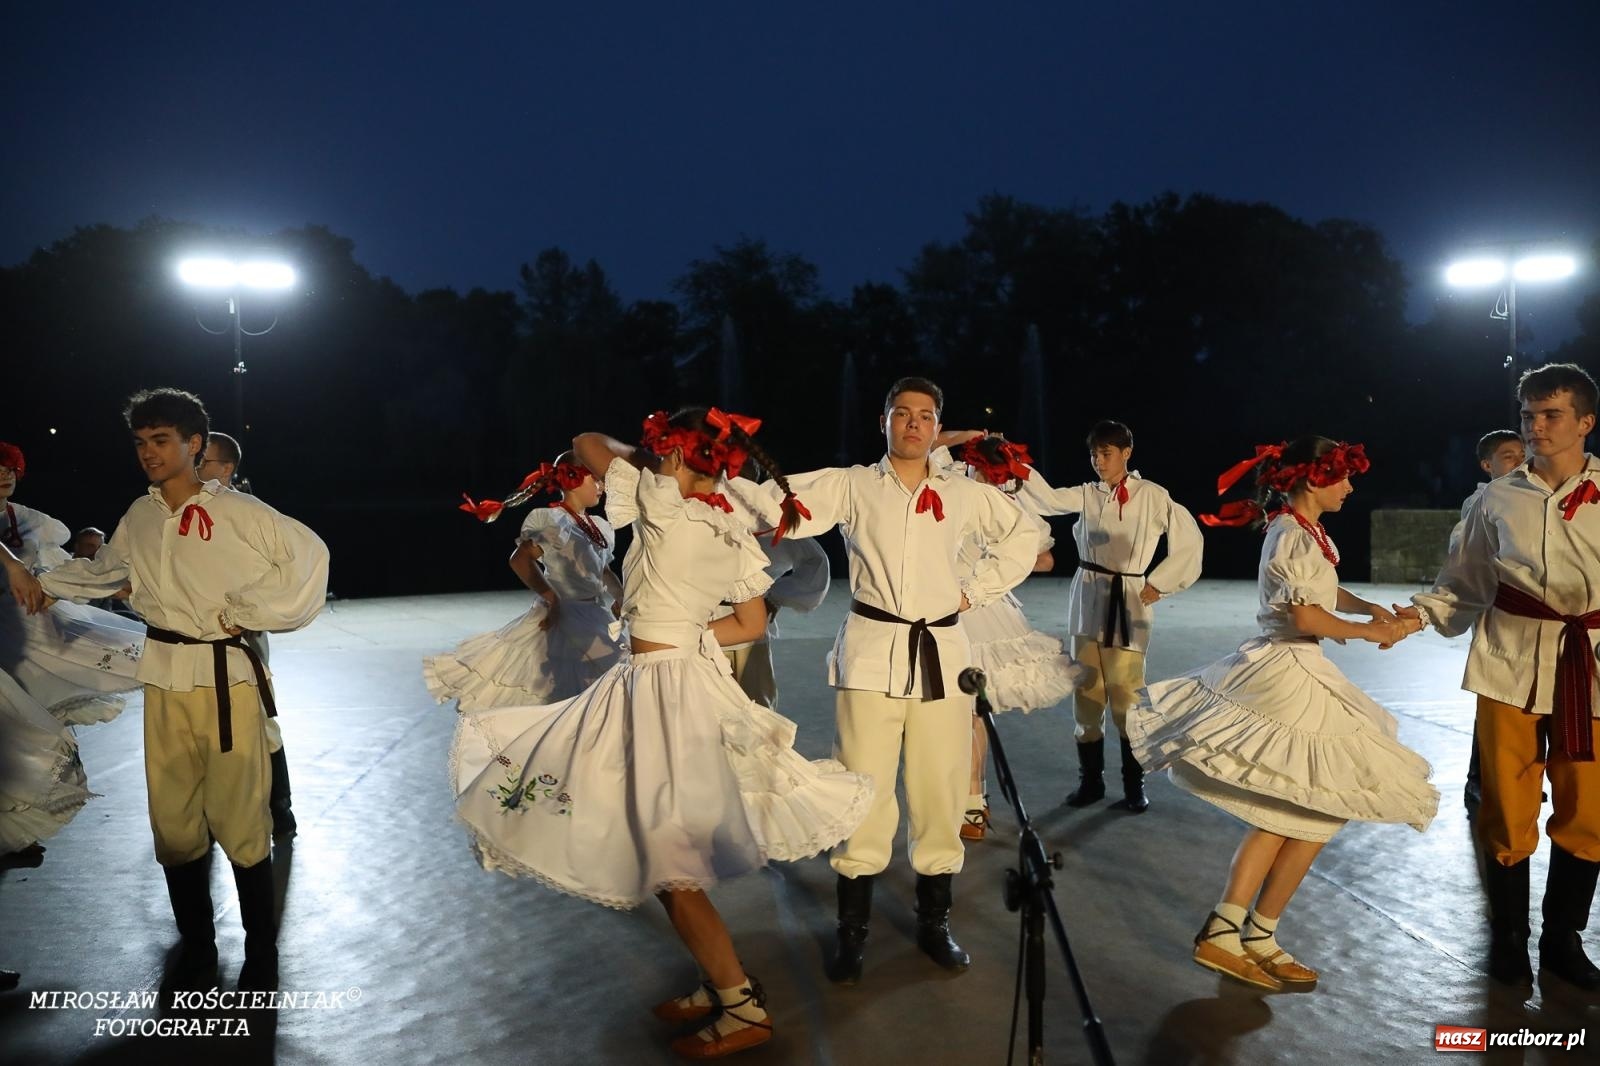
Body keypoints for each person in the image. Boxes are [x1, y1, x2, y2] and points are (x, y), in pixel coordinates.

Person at [451, 407, 871, 1060]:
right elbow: (751, 622)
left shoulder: (663, 502)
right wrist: (693, 637)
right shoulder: (726, 524)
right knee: (663, 852)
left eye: (661, 451)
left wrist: (656, 462)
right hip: (677, 680)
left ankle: (740, 1003)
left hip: (658, 690)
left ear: (673, 455)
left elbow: (584, 441)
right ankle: (717, 980)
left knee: (671, 864)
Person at [12, 388, 330, 994]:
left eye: (161, 440)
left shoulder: (241, 512)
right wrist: (42, 580)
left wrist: (246, 612)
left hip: (225, 681)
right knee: (174, 819)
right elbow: (108, 571)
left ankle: (261, 951)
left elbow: (310, 558)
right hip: (163, 675)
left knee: (241, 815)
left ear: (195, 444)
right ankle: (198, 947)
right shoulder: (141, 514)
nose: (148, 452)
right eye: (141, 442)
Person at [1130, 436, 1437, 991]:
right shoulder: (1289, 533)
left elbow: (1321, 593)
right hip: (1286, 669)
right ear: (1313, 479)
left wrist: (1367, 607)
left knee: (1310, 809)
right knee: (1299, 807)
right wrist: (1371, 630)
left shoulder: (1305, 531)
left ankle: (1253, 933)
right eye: (1342, 477)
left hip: (1302, 666)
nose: (1350, 488)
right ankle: (1229, 931)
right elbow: (1304, 617)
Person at [767, 377, 1041, 983]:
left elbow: (1026, 535)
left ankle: (934, 922)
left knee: (940, 786)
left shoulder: (962, 492)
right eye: (902, 413)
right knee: (861, 785)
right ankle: (852, 931)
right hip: (872, 652)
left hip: (941, 651)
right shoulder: (853, 485)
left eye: (924, 415)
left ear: (938, 427)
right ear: (884, 421)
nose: (913, 423)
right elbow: (775, 502)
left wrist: (975, 591)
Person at [1406, 363, 1600, 990]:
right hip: (1508, 662)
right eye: (1528, 415)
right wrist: (1413, 616)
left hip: (1591, 667)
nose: (1536, 427)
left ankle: (1562, 941)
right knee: (1506, 808)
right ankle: (1509, 939)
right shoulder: (1495, 498)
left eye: (1551, 415)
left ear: (1585, 422)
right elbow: (1463, 581)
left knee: (1590, 809)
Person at [1018, 420, 1204, 812]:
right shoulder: (1088, 493)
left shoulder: (1151, 495)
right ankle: (1091, 783)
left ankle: (1134, 786)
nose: (1099, 461)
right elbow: (1047, 500)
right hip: (1088, 595)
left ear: (1126, 453)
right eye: (1094, 454)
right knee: (1087, 691)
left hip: (1127, 598)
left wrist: (1161, 583)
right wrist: (1011, 464)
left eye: (1106, 453)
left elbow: (1189, 538)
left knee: (1125, 694)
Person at [932, 433, 1082, 840]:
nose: (989, 476)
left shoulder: (1007, 503)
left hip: (980, 607)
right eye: (985, 468)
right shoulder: (949, 481)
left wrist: (995, 566)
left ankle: (971, 803)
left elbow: (1045, 559)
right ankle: (962, 800)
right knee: (950, 711)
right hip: (938, 603)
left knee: (971, 711)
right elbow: (928, 443)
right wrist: (973, 435)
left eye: (995, 471)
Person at [425, 452, 625, 709]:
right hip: (567, 614)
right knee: (586, 684)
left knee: (607, 680)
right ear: (572, 479)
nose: (602, 486)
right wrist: (551, 597)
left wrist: (620, 596)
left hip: (594, 613)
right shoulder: (554, 522)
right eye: (596, 479)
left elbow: (603, 569)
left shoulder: (597, 525)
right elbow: (519, 559)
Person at [200, 431, 301, 838]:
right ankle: (209, 813)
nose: (195, 468)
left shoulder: (250, 514)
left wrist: (248, 614)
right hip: (195, 643)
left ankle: (279, 807)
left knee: (259, 721)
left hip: (241, 640)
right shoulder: (178, 511)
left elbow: (278, 574)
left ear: (226, 468)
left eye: (203, 462)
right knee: (203, 727)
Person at [0, 441, 144, 726]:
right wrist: (14, 566)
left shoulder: (28, 519)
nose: (6, 475)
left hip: (28, 615)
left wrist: (98, 583)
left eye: (10, 468)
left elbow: (54, 559)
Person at [1452, 429, 1526, 814]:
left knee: (1523, 705)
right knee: (1495, 700)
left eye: (1522, 453)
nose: (1520, 460)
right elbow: (1469, 562)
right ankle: (1479, 779)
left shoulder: (1530, 497)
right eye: (1509, 456)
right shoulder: (1480, 501)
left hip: (1527, 621)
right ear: (1487, 465)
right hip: (1496, 614)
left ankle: (1517, 782)